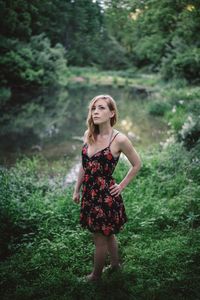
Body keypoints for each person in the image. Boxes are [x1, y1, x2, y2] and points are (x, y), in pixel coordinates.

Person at [73, 94, 142, 282]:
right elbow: (84, 166)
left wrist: (121, 186)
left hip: (105, 196)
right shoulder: (89, 135)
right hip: (89, 194)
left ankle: (95, 276)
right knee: (107, 232)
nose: (96, 111)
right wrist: (77, 189)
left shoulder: (119, 140)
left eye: (101, 108)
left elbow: (137, 164)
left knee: (100, 238)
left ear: (112, 113)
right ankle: (115, 265)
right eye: (94, 108)